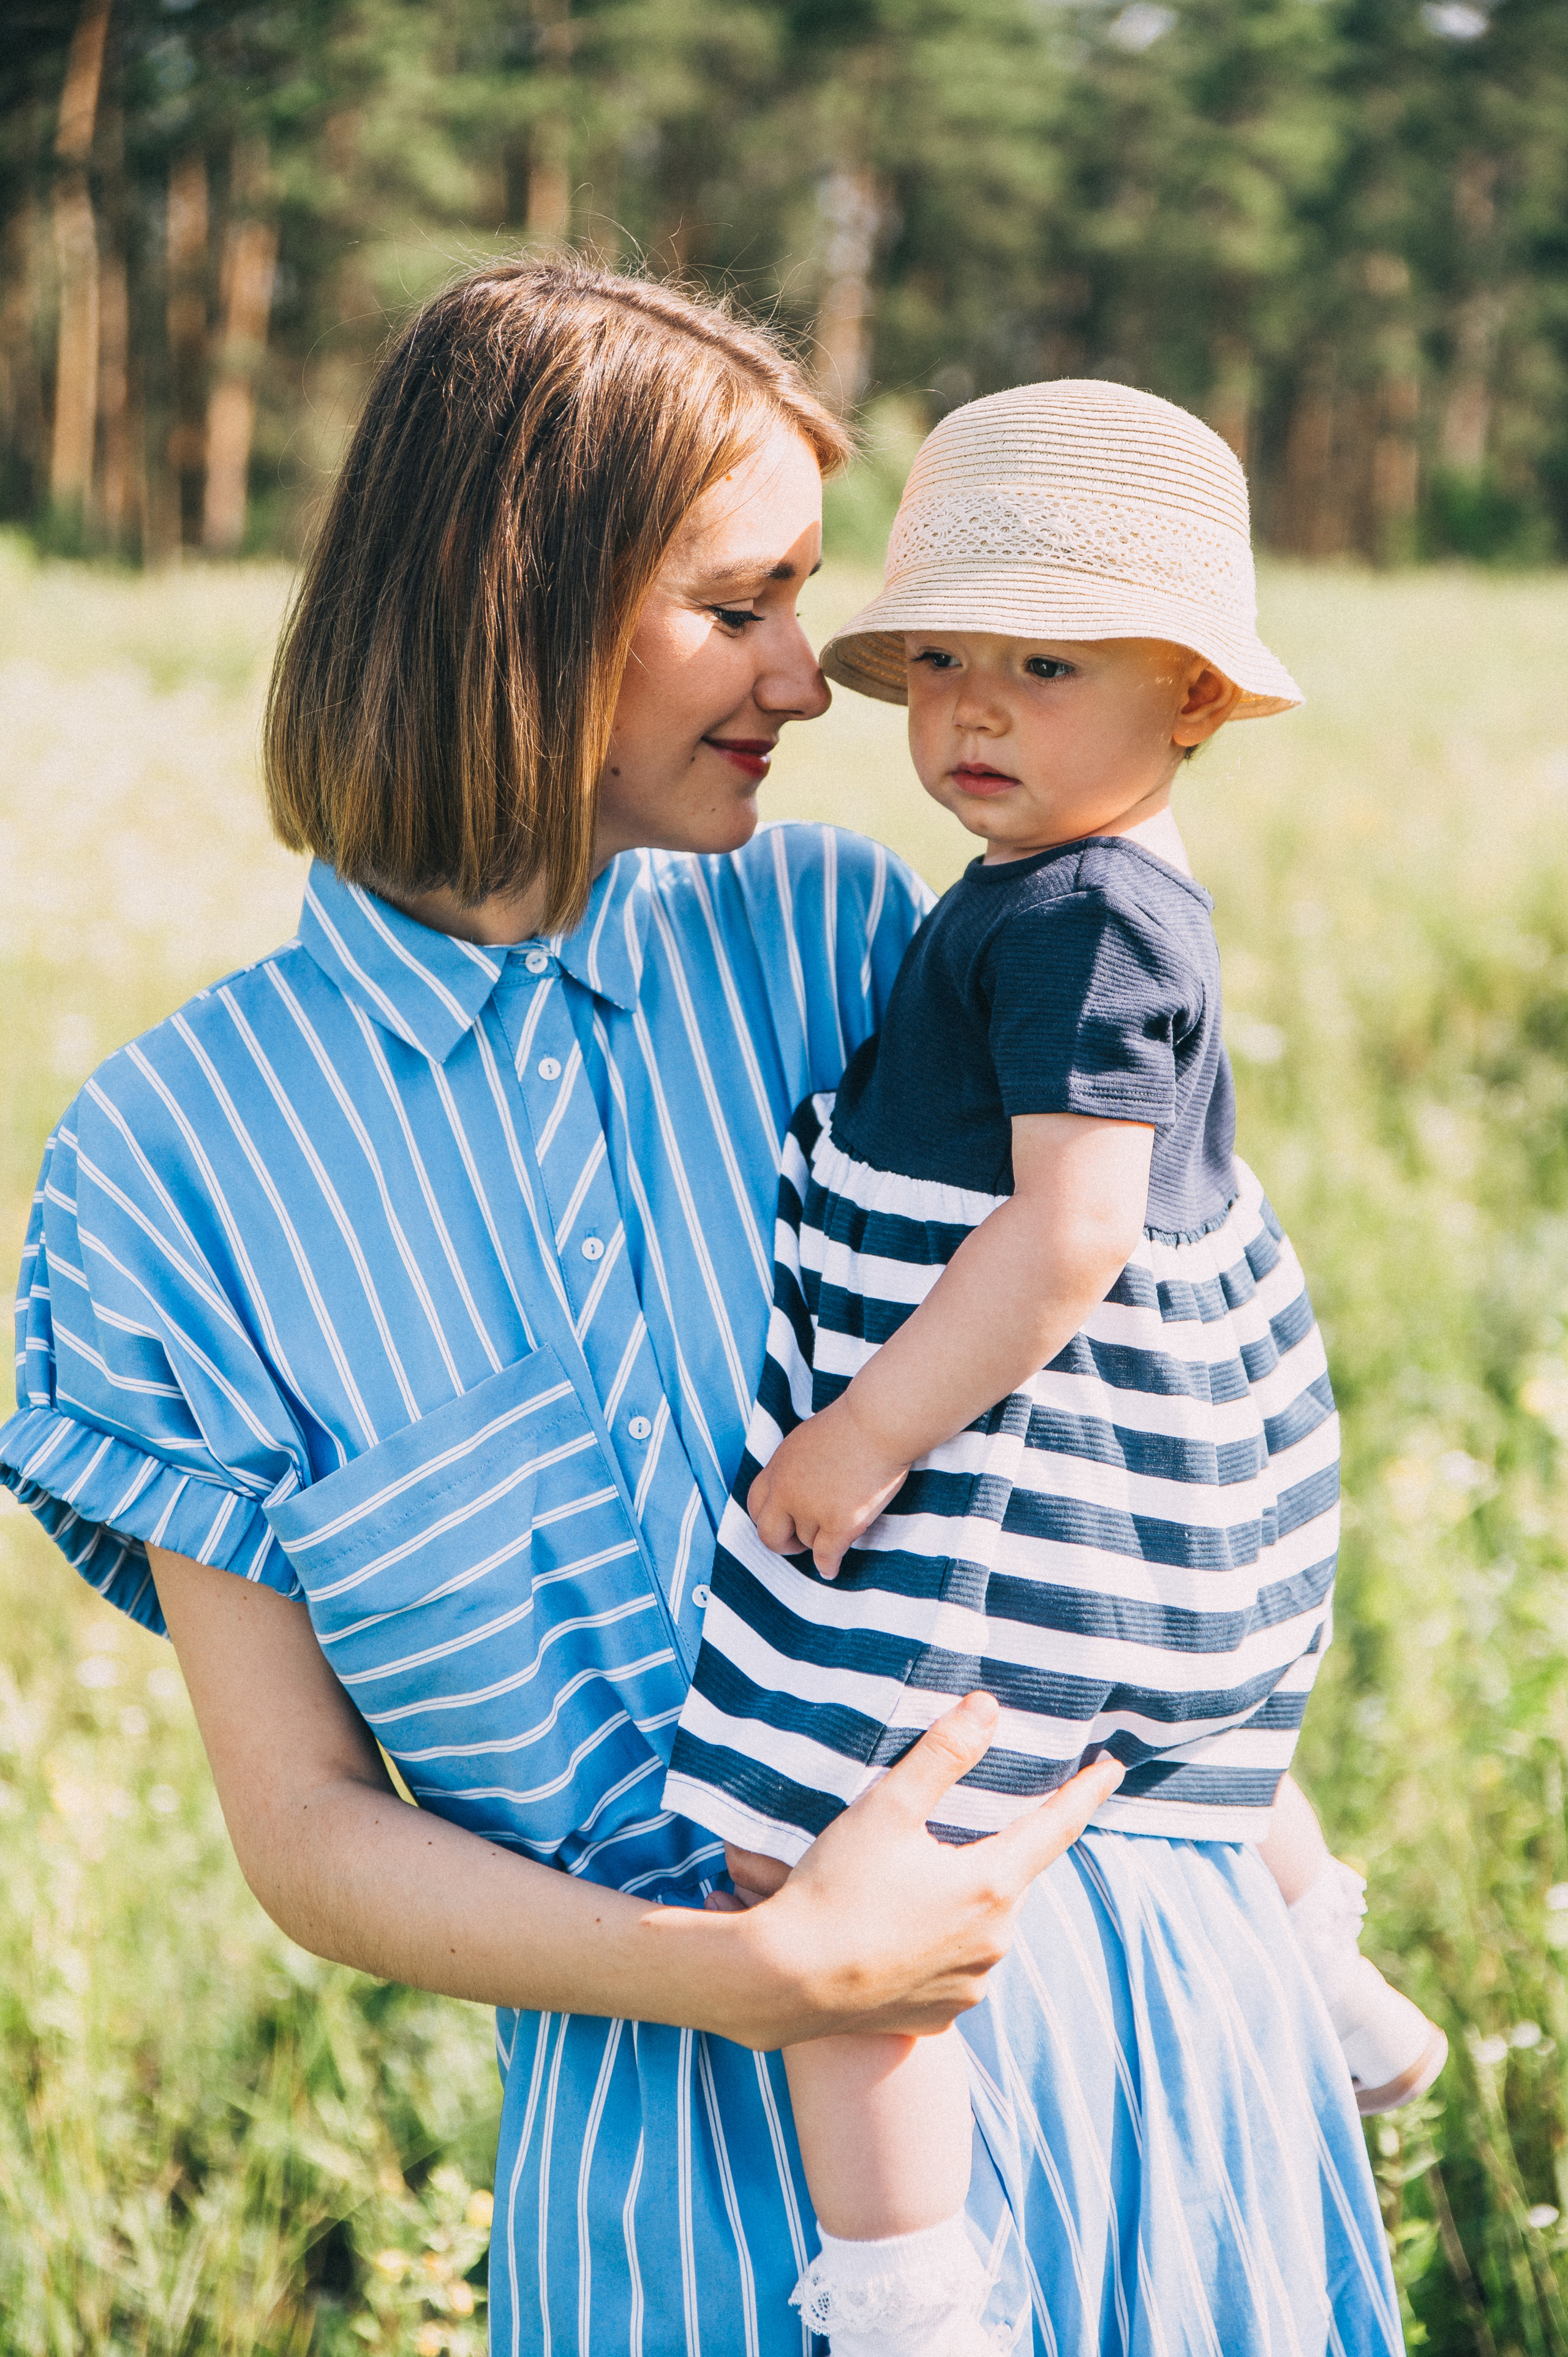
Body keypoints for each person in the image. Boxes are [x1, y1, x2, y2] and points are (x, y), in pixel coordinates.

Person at [0, 259, 1123, 2356]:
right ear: (508, 598)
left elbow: (1103, 1401)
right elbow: (310, 1830)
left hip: (1090, 2015)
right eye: (739, 605)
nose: (812, 682)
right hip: (659, 2169)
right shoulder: (170, 1165)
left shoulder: (842, 938)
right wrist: (767, 1981)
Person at [664, 381, 1440, 2353]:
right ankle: (1318, 1956)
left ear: (1186, 697)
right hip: (1128, 1452)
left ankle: (911, 2280)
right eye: (937, 664)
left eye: (1041, 666)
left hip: (1010, 1441)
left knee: (833, 1825)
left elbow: (1072, 1233)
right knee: (1166, 1706)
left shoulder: (1089, 917)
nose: (969, 713)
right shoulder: (1072, 888)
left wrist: (858, 1438)